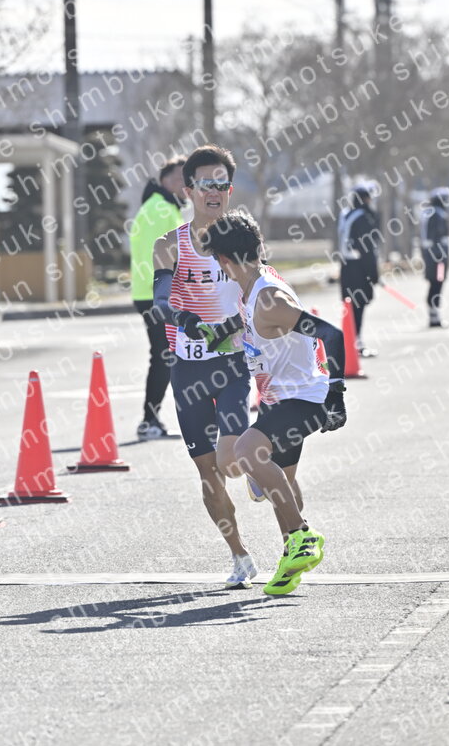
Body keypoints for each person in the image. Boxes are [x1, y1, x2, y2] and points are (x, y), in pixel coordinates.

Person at [203, 210, 347, 596]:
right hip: (277, 399)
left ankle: (303, 536)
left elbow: (332, 335)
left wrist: (336, 394)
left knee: (247, 451)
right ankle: (291, 560)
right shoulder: (252, 287)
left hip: (304, 398)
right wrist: (221, 332)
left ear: (224, 261)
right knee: (282, 485)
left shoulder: (268, 297)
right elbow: (251, 323)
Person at [152, 144, 255, 588]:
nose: (214, 192)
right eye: (205, 184)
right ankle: (239, 556)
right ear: (188, 190)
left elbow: (259, 293)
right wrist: (187, 321)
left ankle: (255, 463)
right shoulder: (169, 244)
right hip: (188, 372)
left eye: (222, 185)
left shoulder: (245, 240)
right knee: (208, 472)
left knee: (231, 463)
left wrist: (235, 328)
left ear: (229, 190)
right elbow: (159, 302)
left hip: (231, 364)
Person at [130, 157, 187, 440]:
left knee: (166, 355)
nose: (183, 184)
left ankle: (152, 418)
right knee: (166, 356)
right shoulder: (162, 209)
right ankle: (150, 420)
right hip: (158, 293)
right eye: (178, 178)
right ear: (164, 180)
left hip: (149, 291)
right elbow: (167, 256)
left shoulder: (156, 206)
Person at [337, 184, 380, 357]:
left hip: (346, 266)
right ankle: (356, 344)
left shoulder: (346, 214)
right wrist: (374, 274)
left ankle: (351, 343)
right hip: (359, 268)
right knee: (358, 306)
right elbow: (366, 249)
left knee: (350, 306)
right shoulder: (362, 217)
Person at [420, 187, 449, 328]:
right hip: (439, 260)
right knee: (437, 284)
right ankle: (435, 318)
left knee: (435, 284)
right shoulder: (437, 214)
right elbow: (436, 237)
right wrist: (440, 258)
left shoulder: (429, 213)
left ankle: (434, 316)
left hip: (432, 258)